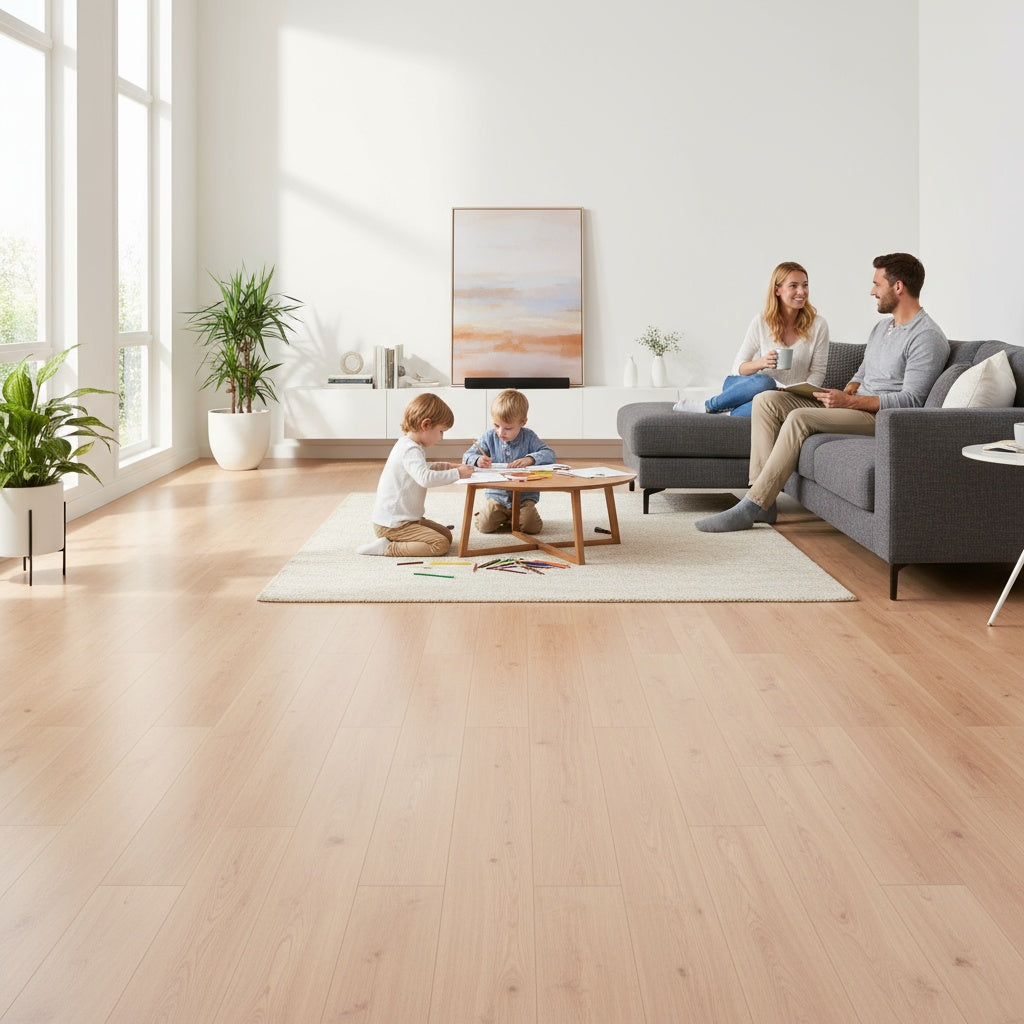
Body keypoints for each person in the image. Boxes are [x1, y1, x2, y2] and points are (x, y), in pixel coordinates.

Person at [695, 252, 949, 532]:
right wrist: (849, 388)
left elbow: (912, 400)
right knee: (766, 400)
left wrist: (851, 401)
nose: (872, 291)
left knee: (800, 418)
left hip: (879, 417)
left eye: (877, 284)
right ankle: (764, 502)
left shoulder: (926, 337)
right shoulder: (882, 328)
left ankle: (751, 505)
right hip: (853, 405)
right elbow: (863, 372)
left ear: (898, 287)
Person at [675, 261, 830, 416]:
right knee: (765, 382)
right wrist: (760, 363)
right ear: (777, 290)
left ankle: (728, 413)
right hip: (747, 386)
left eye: (805, 285)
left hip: (782, 397)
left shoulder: (818, 325)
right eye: (794, 286)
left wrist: (796, 393)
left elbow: (818, 372)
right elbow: (737, 368)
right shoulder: (761, 321)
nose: (802, 291)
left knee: (772, 404)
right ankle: (708, 405)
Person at [356, 392, 473, 556]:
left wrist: (447, 466)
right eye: (441, 431)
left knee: (446, 535)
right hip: (394, 524)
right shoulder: (410, 449)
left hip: (408, 519)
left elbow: (422, 468)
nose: (441, 437)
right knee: (440, 544)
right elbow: (425, 478)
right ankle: (388, 547)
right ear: (426, 425)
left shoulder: (409, 445)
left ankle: (396, 541)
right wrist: (457, 474)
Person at [462, 388, 556, 534]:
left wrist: (530, 459)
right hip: (497, 496)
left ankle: (513, 518)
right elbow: (467, 456)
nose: (500, 432)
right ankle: (506, 518)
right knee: (484, 526)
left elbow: (549, 454)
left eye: (508, 428)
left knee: (532, 528)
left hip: (524, 498)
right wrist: (478, 459)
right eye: (496, 425)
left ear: (522, 422)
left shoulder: (529, 437)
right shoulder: (489, 436)